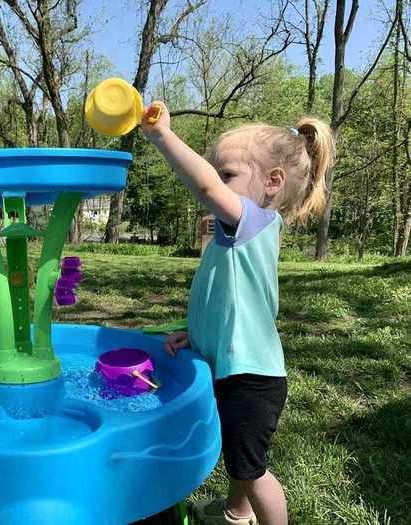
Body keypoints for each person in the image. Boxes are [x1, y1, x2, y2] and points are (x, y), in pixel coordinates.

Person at [142, 101, 334, 525]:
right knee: (238, 456)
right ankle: (235, 513)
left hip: (252, 380)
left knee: (253, 469)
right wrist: (196, 334)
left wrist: (163, 137)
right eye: (219, 172)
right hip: (237, 366)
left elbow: (207, 189)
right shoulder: (234, 235)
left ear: (273, 182)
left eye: (227, 173)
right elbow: (225, 301)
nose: (216, 182)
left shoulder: (257, 222)